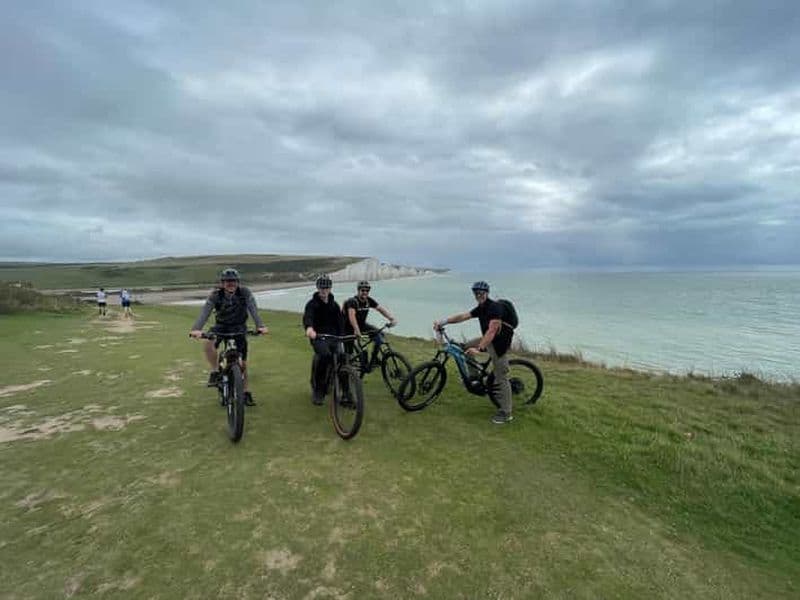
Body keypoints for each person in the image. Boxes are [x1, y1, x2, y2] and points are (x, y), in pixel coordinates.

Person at [433, 281, 515, 424]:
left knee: (501, 376)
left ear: (487, 293)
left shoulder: (495, 308)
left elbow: (492, 331)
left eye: (481, 293)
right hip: (488, 338)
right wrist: (443, 322)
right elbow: (463, 316)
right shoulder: (481, 307)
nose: (479, 295)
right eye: (476, 293)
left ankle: (506, 412)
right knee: (465, 348)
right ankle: (475, 377)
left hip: (499, 343)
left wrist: (479, 349)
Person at [189, 268, 268, 406]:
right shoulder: (216, 295)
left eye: (233, 281)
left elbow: (253, 309)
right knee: (208, 342)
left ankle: (245, 392)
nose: (231, 284)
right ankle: (215, 371)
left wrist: (260, 326)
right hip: (221, 327)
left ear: (238, 282)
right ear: (222, 283)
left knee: (243, 364)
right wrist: (196, 329)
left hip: (239, 327)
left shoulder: (245, 292)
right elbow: (205, 312)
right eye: (227, 281)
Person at [302, 275, 344, 405]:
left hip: (333, 337)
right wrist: (310, 329)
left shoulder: (334, 305)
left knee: (343, 357)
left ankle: (346, 392)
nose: (324, 290)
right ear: (318, 288)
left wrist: (344, 335)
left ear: (330, 288)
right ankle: (318, 390)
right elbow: (308, 317)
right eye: (322, 287)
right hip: (318, 337)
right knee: (325, 355)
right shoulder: (312, 304)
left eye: (326, 287)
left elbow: (340, 322)